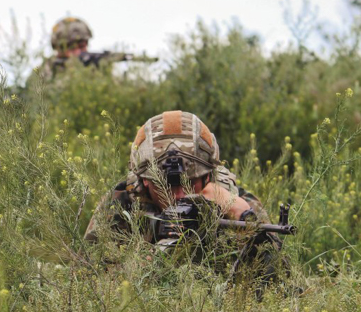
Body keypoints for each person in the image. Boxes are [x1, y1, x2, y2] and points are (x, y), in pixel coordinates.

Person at [84, 111, 283, 275]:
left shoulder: (237, 204)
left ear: (208, 176)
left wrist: (249, 223)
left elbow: (281, 282)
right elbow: (84, 279)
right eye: (164, 186)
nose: (179, 196)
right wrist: (143, 267)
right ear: (143, 180)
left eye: (190, 183)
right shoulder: (121, 203)